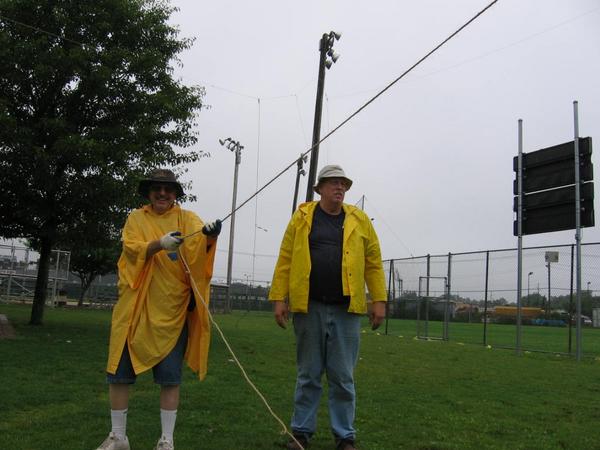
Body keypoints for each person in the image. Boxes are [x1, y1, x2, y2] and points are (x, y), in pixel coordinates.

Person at [96, 168, 222, 450]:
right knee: (119, 374)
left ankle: (166, 440)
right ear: (149, 192)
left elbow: (198, 253)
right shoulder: (136, 218)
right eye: (157, 188)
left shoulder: (188, 219)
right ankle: (118, 437)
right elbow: (131, 250)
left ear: (175, 193)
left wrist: (210, 237)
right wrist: (158, 244)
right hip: (134, 310)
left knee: (170, 379)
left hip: (171, 312)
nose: (162, 193)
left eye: (168, 189)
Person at [269, 165, 387, 450]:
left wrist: (379, 301)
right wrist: (279, 298)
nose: (340, 187)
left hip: (347, 311)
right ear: (319, 188)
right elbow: (286, 258)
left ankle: (345, 437)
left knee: (343, 377)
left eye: (343, 183)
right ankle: (301, 433)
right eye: (334, 182)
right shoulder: (302, 217)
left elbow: (373, 262)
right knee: (308, 374)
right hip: (308, 307)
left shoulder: (360, 220)